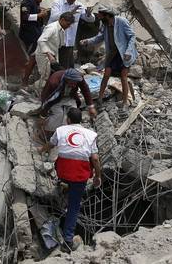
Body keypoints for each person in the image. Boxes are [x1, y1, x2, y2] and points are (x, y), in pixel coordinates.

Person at [42, 108, 101, 253]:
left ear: (68, 119)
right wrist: (98, 176)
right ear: (80, 120)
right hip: (80, 174)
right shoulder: (90, 134)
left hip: (62, 170)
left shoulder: (61, 130)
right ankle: (68, 241)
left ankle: (63, 184)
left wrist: (39, 150)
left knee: (61, 164)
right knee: (74, 207)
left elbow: (50, 145)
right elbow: (95, 158)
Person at [80, 5, 138, 107]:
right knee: (106, 74)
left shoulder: (121, 21)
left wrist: (128, 51)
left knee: (123, 77)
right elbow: (99, 37)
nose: (100, 18)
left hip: (124, 54)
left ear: (107, 15)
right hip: (112, 54)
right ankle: (100, 99)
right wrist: (87, 41)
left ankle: (124, 102)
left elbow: (132, 36)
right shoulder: (105, 25)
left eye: (101, 16)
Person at [47, 0, 95, 69]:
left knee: (67, 66)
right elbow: (54, 17)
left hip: (69, 41)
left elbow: (91, 19)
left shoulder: (79, 5)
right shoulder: (57, 2)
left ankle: (63, 80)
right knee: (54, 65)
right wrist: (70, 13)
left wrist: (88, 14)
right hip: (55, 40)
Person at [38, 69, 97, 133]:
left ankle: (69, 132)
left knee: (74, 114)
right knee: (59, 115)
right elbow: (47, 100)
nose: (74, 86)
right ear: (66, 80)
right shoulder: (54, 83)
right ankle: (47, 130)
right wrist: (42, 116)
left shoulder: (79, 78)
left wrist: (91, 107)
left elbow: (85, 90)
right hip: (55, 99)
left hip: (70, 97)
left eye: (75, 84)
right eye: (72, 83)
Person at [35, 12, 76, 89]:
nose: (69, 26)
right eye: (68, 24)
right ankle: (40, 94)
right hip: (45, 56)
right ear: (62, 20)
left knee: (52, 75)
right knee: (45, 76)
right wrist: (49, 54)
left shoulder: (61, 29)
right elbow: (41, 40)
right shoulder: (52, 28)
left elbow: (60, 44)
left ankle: (48, 93)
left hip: (53, 55)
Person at [20, 0, 49, 86]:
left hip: (36, 35)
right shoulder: (27, 1)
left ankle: (30, 79)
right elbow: (25, 16)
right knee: (31, 58)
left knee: (35, 58)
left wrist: (41, 13)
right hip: (30, 36)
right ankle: (25, 81)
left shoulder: (36, 4)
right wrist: (39, 15)